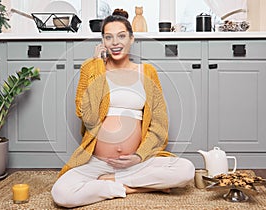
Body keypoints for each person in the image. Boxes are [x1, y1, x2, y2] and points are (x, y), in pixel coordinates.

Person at [51, 12, 195, 208]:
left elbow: (159, 125)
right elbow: (87, 116)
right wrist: (95, 66)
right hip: (98, 163)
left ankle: (111, 182)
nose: (115, 42)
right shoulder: (91, 69)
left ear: (131, 38)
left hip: (138, 163)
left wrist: (138, 156)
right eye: (108, 37)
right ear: (102, 41)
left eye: (121, 36)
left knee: (186, 170)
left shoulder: (147, 72)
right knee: (61, 194)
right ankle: (131, 187)